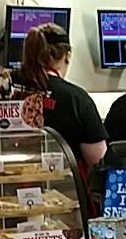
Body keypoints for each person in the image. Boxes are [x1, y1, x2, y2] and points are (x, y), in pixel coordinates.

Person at [13, 24, 106, 168]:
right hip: (59, 180)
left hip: (0, 178)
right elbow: (98, 164)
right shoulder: (76, 99)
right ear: (67, 56)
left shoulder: (0, 85)